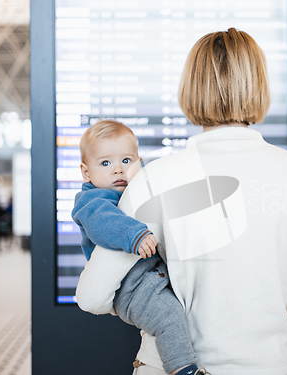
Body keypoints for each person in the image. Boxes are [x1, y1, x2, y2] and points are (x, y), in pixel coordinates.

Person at [77, 28, 287, 374]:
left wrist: (148, 304)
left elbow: (92, 295)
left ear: (190, 89)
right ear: (259, 86)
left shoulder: (154, 179)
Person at [71, 119, 210, 375]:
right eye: (105, 163)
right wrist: (134, 235)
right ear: (86, 172)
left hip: (149, 276)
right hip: (131, 285)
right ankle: (182, 368)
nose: (118, 170)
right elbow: (104, 223)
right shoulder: (92, 201)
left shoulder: (137, 190)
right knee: (167, 318)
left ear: (139, 162)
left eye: (126, 161)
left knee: (182, 312)